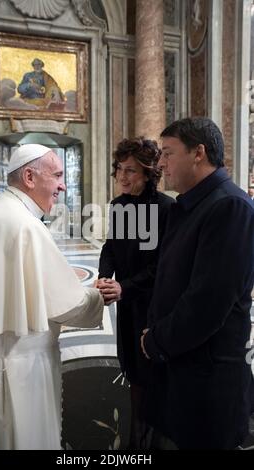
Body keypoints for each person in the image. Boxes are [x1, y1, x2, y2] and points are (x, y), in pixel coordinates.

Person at [0, 144, 103, 450]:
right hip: (16, 367)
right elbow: (68, 305)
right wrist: (98, 296)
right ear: (29, 177)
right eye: (57, 175)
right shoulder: (25, 226)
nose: (62, 184)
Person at [141, 117, 254, 450]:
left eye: (168, 153)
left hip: (207, 379)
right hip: (180, 367)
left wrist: (155, 341)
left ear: (198, 153)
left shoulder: (229, 207)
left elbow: (207, 303)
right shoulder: (191, 205)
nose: (160, 164)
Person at [95, 137, 173, 449]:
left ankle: (152, 439)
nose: (123, 177)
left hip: (154, 305)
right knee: (133, 370)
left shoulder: (167, 209)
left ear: (149, 173)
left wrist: (124, 286)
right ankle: (137, 438)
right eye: (119, 170)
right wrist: (104, 276)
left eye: (131, 171)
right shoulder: (120, 206)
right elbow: (111, 248)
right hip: (127, 302)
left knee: (153, 374)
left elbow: (162, 266)